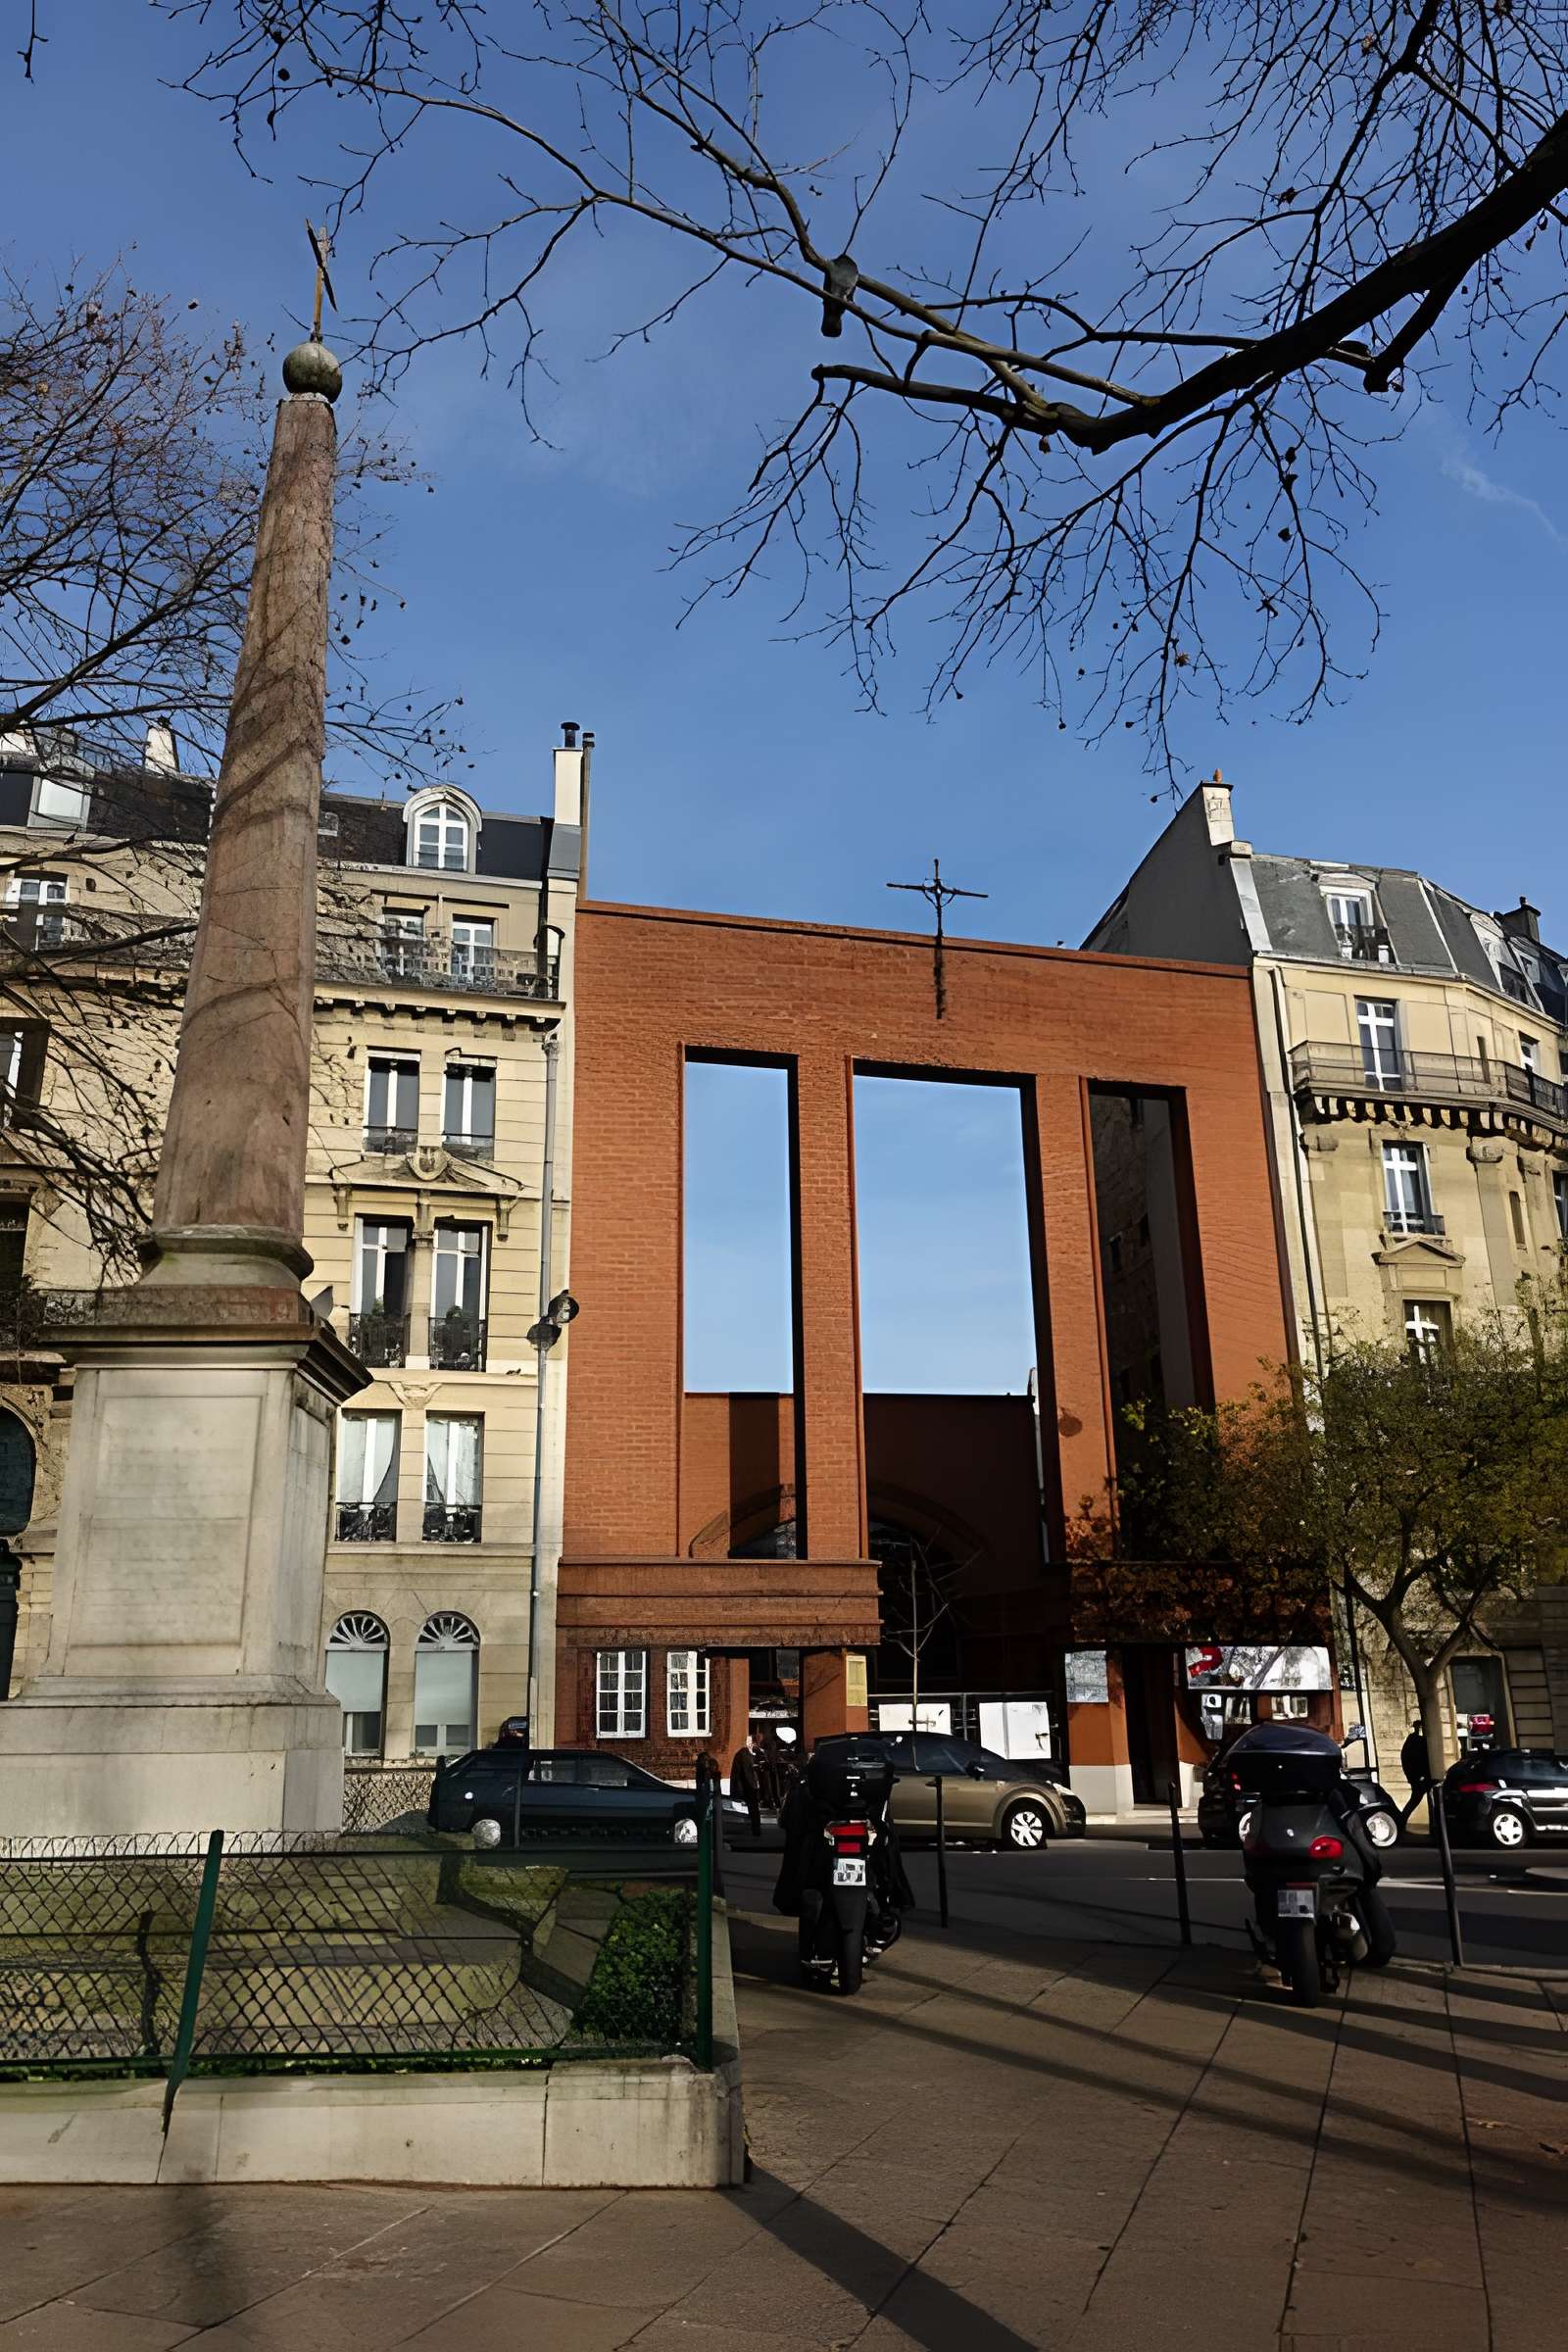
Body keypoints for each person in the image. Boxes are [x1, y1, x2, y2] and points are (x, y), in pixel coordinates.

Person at [729, 1729, 764, 1838]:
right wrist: (753, 1786)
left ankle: (754, 1830)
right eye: (751, 1742)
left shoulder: (745, 1754)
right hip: (748, 1787)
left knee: (752, 1809)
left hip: (747, 1786)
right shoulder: (744, 1754)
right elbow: (746, 1773)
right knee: (753, 1809)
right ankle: (755, 1830)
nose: (753, 1745)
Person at [1399, 1720, 1431, 1828]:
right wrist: (1417, 1776)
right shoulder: (1415, 1741)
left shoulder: (1414, 1740)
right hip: (1419, 1776)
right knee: (1416, 1798)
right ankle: (1401, 1820)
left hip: (1419, 1776)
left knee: (1416, 1798)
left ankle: (1402, 1820)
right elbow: (1412, 1759)